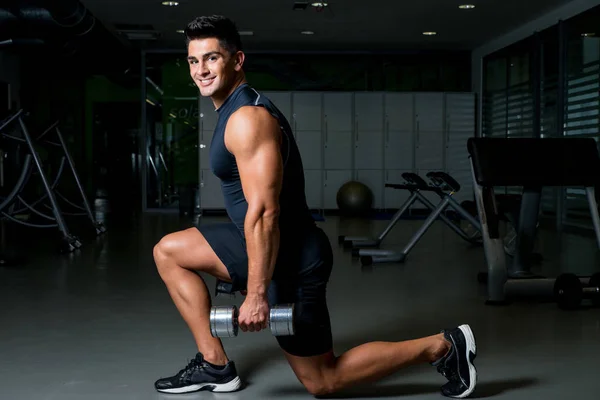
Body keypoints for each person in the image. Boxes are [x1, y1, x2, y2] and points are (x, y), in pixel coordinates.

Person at [153, 15, 478, 398]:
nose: (201, 70)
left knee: (324, 380)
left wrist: (255, 293)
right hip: (259, 242)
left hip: (293, 256)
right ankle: (215, 365)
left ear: (237, 60)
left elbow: (264, 212)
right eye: (193, 61)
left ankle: (443, 345)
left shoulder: (247, 119)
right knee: (169, 251)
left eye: (211, 58)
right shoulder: (231, 111)